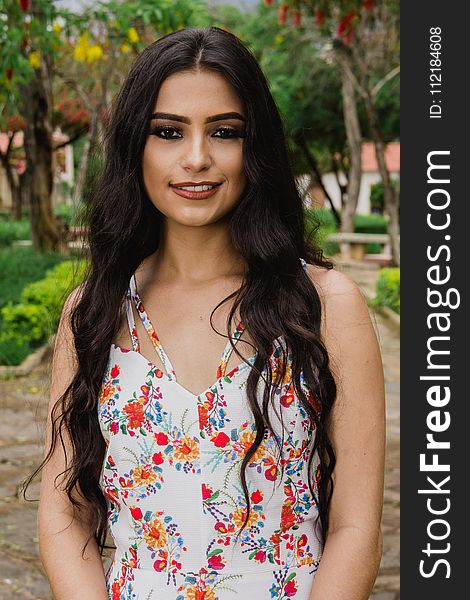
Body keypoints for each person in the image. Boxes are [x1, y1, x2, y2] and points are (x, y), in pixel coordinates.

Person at [35, 26, 385, 600]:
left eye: (224, 132)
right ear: (135, 147)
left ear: (256, 149)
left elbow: (355, 529)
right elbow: (62, 513)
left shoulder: (325, 305)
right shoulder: (93, 311)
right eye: (168, 132)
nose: (196, 158)